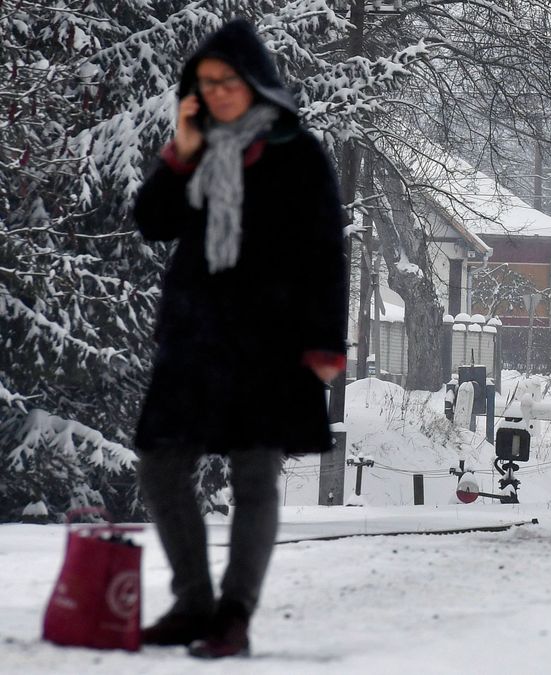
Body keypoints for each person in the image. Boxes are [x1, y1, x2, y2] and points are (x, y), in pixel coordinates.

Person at [132, 18, 347, 659]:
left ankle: (233, 615)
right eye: (205, 84)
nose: (217, 92)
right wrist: (180, 152)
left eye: (227, 80)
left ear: (256, 82)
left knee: (254, 475)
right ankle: (193, 603)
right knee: (161, 462)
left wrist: (325, 345)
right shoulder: (199, 151)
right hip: (195, 339)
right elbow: (153, 221)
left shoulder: (296, 152)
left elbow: (324, 254)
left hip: (270, 342)